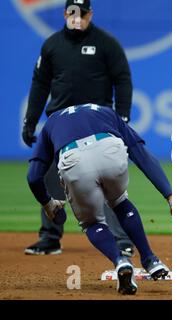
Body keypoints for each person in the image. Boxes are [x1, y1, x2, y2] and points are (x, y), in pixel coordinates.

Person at [27, 103, 172, 295]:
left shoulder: (52, 121)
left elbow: (33, 177)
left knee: (91, 222)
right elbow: (141, 155)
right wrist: (171, 199)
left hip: (74, 160)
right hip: (110, 150)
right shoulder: (106, 111)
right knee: (120, 202)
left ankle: (120, 262)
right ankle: (151, 261)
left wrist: (48, 203)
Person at [22, 0, 135, 256]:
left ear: (90, 15)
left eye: (81, 14)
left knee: (108, 183)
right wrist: (31, 120)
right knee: (51, 178)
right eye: (72, 13)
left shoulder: (106, 43)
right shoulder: (52, 45)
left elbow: (122, 79)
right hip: (59, 123)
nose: (76, 18)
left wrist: (123, 117)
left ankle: (122, 240)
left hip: (96, 123)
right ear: (65, 14)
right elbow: (40, 84)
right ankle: (50, 237)